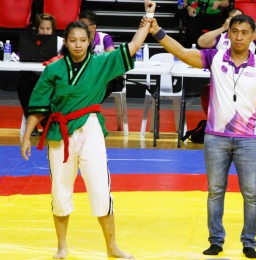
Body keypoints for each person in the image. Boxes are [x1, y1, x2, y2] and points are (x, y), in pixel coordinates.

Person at [142, 14, 256, 258]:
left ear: (252, 36)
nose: (239, 36)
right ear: (228, 34)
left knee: (251, 194)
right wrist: (158, 31)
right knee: (215, 190)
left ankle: (249, 242)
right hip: (215, 138)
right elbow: (183, 53)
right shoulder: (214, 58)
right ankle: (216, 240)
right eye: (235, 31)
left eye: (245, 32)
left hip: (248, 140)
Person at [20, 1, 156, 258]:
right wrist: (27, 137)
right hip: (59, 134)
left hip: (90, 128)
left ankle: (112, 247)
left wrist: (148, 18)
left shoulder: (101, 63)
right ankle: (61, 247)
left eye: (83, 40)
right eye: (73, 40)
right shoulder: (54, 69)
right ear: (66, 42)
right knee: (59, 192)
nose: (78, 44)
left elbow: (133, 47)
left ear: (89, 41)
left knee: (101, 190)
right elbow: (37, 107)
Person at [197, 8, 256, 116]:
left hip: (246, 78)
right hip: (223, 79)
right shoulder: (220, 37)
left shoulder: (249, 37)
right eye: (233, 18)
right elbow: (201, 42)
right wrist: (223, 28)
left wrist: (244, 23)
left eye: (240, 18)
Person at [17, 13, 63, 137]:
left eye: (48, 29)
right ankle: (29, 120)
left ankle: (47, 122)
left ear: (53, 29)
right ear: (37, 29)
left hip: (52, 79)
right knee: (23, 83)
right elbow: (20, 55)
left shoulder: (61, 42)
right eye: (42, 28)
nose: (44, 31)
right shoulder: (30, 41)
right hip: (34, 76)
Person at [78, 10, 124, 101]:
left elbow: (113, 58)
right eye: (79, 25)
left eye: (83, 25)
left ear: (93, 27)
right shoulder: (77, 40)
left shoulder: (104, 38)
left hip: (104, 79)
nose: (80, 28)